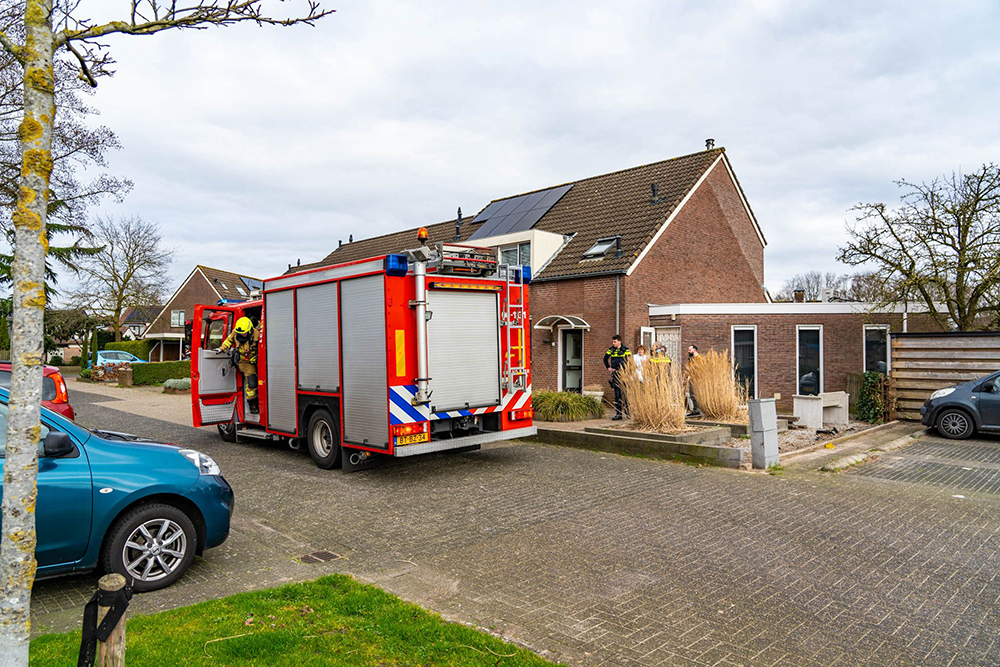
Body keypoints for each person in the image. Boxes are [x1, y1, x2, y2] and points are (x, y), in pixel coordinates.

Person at [219, 316, 260, 414]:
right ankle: (252, 404)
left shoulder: (257, 334)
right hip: (245, 362)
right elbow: (228, 340)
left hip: (257, 360)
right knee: (252, 382)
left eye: (244, 333)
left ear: (250, 330)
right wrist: (222, 348)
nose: (241, 334)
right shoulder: (236, 332)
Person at [603, 334, 632, 420]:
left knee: (626, 394)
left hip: (624, 374)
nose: (613, 343)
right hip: (615, 373)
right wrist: (608, 367)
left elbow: (630, 361)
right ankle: (618, 414)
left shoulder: (626, 350)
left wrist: (627, 371)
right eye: (613, 341)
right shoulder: (611, 349)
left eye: (615, 342)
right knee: (617, 394)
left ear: (619, 341)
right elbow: (605, 359)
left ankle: (628, 412)